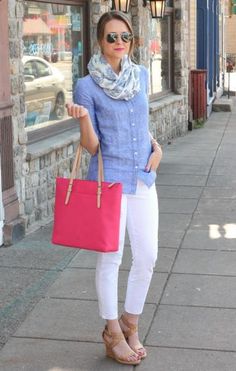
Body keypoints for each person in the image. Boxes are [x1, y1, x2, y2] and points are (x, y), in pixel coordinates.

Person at [66, 10, 162, 366]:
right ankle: (112, 332)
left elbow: (141, 121)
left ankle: (130, 322)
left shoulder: (139, 74)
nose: (119, 43)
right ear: (99, 41)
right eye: (112, 37)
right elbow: (91, 146)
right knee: (111, 258)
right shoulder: (86, 85)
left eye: (126, 36)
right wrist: (83, 118)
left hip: (143, 177)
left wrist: (157, 147)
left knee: (148, 256)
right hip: (109, 182)